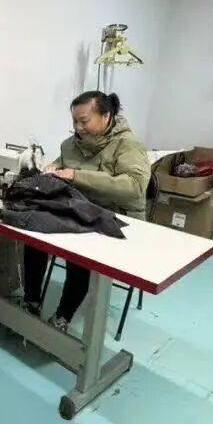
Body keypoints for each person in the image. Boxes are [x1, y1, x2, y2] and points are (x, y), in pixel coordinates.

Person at [22, 90, 150, 332]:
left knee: (79, 252)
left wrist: (77, 175)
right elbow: (63, 162)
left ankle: (63, 315)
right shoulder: (71, 145)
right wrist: (53, 167)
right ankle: (31, 301)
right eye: (74, 121)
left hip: (115, 218)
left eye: (84, 121)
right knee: (34, 235)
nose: (78, 128)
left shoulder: (128, 145)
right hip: (79, 209)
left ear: (106, 116)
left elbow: (135, 187)